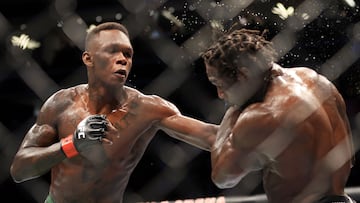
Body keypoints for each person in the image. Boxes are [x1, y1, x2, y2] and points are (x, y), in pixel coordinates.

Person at [10, 22, 218, 203]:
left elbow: (213, 137)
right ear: (88, 59)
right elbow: (19, 170)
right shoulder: (61, 104)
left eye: (127, 54)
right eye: (112, 51)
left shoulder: (149, 108)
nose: (122, 59)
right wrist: (72, 145)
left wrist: (246, 108)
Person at [201, 28, 355, 203]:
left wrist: (233, 111)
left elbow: (222, 178)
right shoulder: (316, 81)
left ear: (243, 75)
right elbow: (348, 159)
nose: (220, 94)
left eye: (219, 83)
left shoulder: (263, 115)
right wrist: (168, 118)